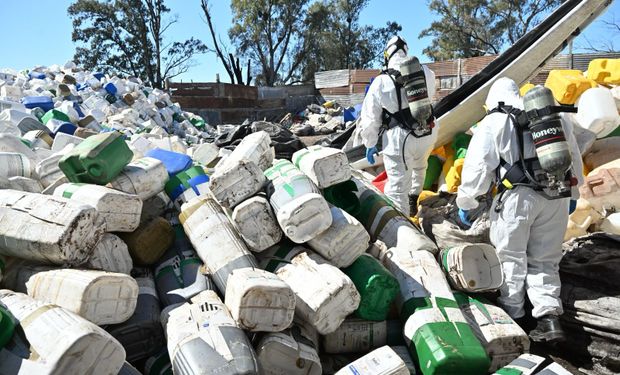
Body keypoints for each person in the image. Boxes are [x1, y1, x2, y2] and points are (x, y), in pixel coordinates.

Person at [456, 77, 583, 343]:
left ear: (493, 100)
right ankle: (549, 321)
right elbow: (573, 156)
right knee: (545, 259)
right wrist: (575, 193)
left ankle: (513, 318)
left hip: (517, 200)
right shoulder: (552, 115)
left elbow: (477, 169)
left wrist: (467, 202)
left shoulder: (494, 121)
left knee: (510, 257)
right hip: (555, 195)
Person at [359, 36, 438, 217]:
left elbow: (370, 117)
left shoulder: (381, 80)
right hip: (427, 130)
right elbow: (430, 97)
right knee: (420, 167)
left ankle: (403, 225)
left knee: (397, 186)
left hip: (400, 139)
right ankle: (414, 200)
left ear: (388, 54)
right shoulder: (426, 71)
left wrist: (370, 143)